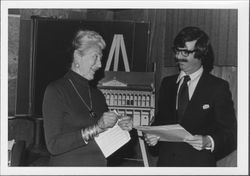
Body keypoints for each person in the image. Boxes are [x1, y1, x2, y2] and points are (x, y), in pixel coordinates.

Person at [143, 26, 237, 166]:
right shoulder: (167, 84)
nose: (178, 57)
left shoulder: (218, 87)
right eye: (177, 51)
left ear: (200, 53)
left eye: (185, 52)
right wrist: (152, 137)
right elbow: (161, 122)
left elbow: (231, 134)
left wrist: (209, 141)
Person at [42, 30, 133, 166]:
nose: (100, 65)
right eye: (95, 57)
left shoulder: (98, 95)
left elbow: (104, 137)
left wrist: (120, 127)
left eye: (100, 59)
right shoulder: (56, 91)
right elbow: (53, 145)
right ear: (78, 56)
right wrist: (96, 128)